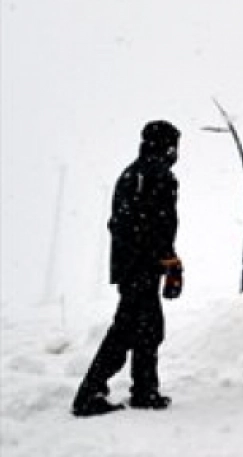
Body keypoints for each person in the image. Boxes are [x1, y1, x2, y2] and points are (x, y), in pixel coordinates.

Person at [71, 120, 183, 417]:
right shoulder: (158, 176)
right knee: (127, 330)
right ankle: (91, 392)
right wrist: (169, 262)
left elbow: (120, 223)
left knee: (147, 328)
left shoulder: (131, 174)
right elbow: (159, 226)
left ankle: (144, 389)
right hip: (143, 266)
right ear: (168, 146)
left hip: (131, 265)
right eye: (175, 146)